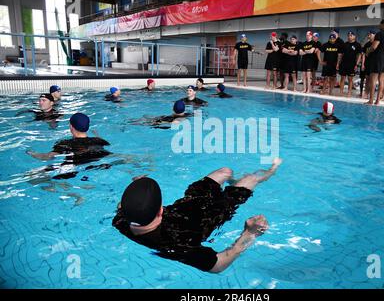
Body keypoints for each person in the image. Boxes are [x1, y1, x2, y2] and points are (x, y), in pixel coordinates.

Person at [112, 157, 282, 272]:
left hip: (191, 199)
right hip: (215, 212)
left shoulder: (120, 220)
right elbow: (219, 265)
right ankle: (272, 170)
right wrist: (250, 233)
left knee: (225, 171)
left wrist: (138, 188)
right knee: (251, 179)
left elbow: (123, 205)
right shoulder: (176, 244)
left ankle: (234, 184)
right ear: (161, 210)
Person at [26, 113, 111, 165]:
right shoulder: (99, 141)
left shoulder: (65, 144)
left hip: (74, 170)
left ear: (71, 126)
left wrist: (32, 153)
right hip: (100, 165)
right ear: (88, 127)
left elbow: (48, 157)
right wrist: (97, 135)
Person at [366, 18, 384, 105]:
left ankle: (371, 100)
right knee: (381, 80)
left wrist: (368, 51)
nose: (379, 25)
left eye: (380, 24)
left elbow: (374, 47)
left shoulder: (379, 34)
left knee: (373, 79)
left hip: (378, 58)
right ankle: (378, 101)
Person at [338, 31, 362, 98]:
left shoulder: (357, 45)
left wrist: (357, 64)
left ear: (354, 36)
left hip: (352, 64)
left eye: (351, 35)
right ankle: (341, 92)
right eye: (348, 35)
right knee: (342, 78)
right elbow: (341, 55)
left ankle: (349, 93)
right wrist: (338, 63)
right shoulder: (345, 44)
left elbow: (359, 55)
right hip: (343, 63)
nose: (349, 37)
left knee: (350, 79)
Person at [360, 30, 376, 98]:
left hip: (374, 63)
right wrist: (363, 64)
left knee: (372, 79)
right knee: (367, 79)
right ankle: (366, 93)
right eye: (368, 35)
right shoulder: (367, 44)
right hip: (367, 63)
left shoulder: (377, 43)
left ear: (374, 35)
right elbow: (363, 55)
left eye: (370, 35)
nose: (369, 36)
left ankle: (371, 94)